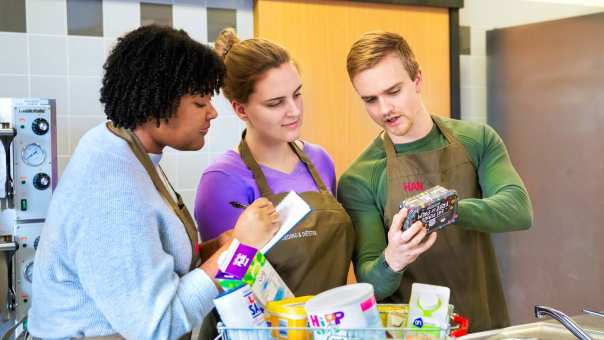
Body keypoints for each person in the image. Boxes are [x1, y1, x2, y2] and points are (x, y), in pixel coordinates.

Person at [27, 25, 279, 339]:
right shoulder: (112, 187)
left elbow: (145, 259)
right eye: (200, 103)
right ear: (158, 103)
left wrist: (212, 249)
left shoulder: (125, 149)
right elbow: (157, 325)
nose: (212, 113)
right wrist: (241, 251)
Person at [338, 31, 533, 332]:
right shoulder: (360, 177)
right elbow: (370, 285)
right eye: (370, 99)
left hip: (485, 326)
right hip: (413, 333)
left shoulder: (477, 140)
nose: (384, 109)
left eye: (393, 91)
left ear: (417, 80)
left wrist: (443, 210)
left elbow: (518, 209)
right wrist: (393, 258)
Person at [194, 31, 356, 295]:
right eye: (275, 103)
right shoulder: (222, 180)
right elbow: (226, 284)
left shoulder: (320, 161)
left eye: (297, 94)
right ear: (241, 109)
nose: (294, 110)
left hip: (329, 325)